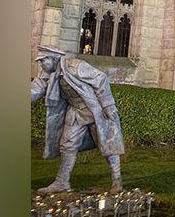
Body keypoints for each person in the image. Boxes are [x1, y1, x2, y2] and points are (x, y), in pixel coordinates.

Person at [31, 45, 125, 193]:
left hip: (94, 110)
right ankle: (62, 182)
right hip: (75, 112)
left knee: (108, 145)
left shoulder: (75, 66)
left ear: (53, 59)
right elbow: (35, 90)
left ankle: (117, 183)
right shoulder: (47, 74)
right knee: (67, 145)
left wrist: (108, 106)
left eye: (43, 60)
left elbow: (101, 79)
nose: (40, 64)